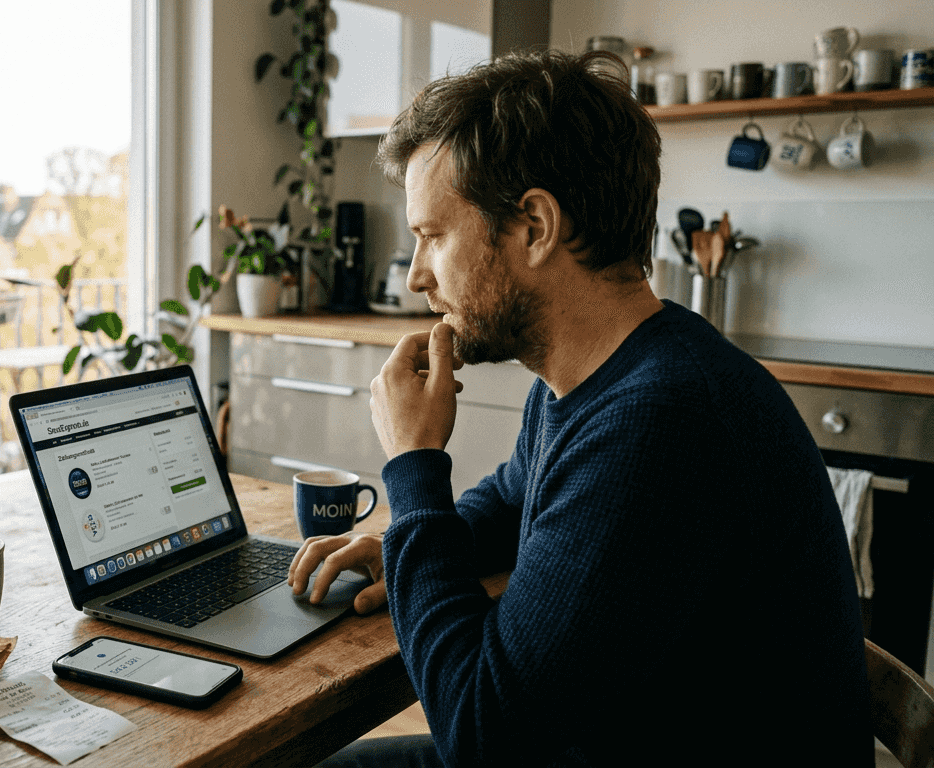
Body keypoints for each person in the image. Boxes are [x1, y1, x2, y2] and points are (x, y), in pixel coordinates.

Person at [288, 49, 870, 767]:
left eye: (432, 235)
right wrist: (413, 549)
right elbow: (507, 504)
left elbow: (480, 732)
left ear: (534, 225)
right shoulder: (597, 376)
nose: (415, 277)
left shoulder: (661, 423)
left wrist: (414, 469)